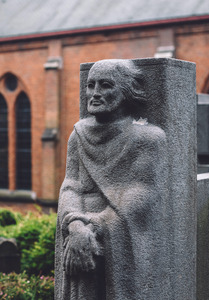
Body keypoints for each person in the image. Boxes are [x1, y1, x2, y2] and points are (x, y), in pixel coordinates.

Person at [55, 59, 170, 299]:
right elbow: (71, 186)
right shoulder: (78, 135)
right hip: (78, 231)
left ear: (126, 91)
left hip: (117, 231)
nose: (95, 93)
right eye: (91, 85)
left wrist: (95, 227)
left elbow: (142, 193)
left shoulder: (148, 139)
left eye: (106, 85)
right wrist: (75, 226)